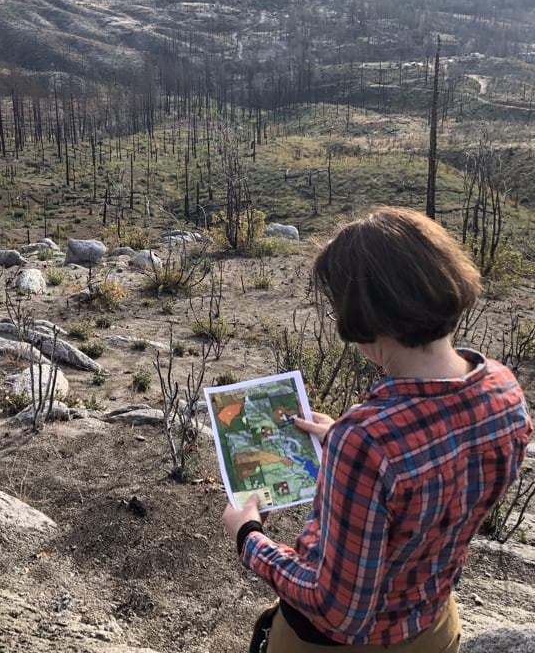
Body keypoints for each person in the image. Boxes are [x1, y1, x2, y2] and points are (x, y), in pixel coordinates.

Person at [223, 207, 533, 652]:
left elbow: (338, 613)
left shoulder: (368, 441)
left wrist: (248, 535)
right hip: (434, 628)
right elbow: (438, 475)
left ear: (364, 316)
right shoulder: (503, 389)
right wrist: (341, 442)